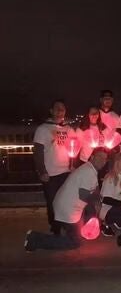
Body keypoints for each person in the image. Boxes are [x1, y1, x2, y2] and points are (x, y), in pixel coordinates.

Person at [24, 148, 108, 251]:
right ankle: (34, 238)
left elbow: (94, 190)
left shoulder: (90, 170)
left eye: (104, 158)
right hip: (68, 209)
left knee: (83, 224)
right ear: (92, 157)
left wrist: (97, 198)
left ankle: (66, 230)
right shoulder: (88, 172)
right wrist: (97, 203)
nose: (102, 160)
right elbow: (83, 195)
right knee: (75, 242)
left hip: (69, 206)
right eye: (99, 157)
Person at [33, 99, 75, 235]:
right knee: (52, 201)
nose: (60, 111)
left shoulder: (68, 129)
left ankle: (66, 224)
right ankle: (55, 226)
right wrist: (42, 171)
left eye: (62, 109)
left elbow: (75, 147)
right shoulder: (42, 129)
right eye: (57, 108)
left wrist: (73, 165)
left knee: (66, 200)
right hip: (50, 173)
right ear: (51, 111)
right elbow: (38, 152)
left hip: (66, 171)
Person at [99, 152, 121, 236]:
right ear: (116, 163)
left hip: (118, 205)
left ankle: (117, 220)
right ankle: (107, 222)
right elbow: (105, 199)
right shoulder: (111, 177)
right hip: (108, 208)